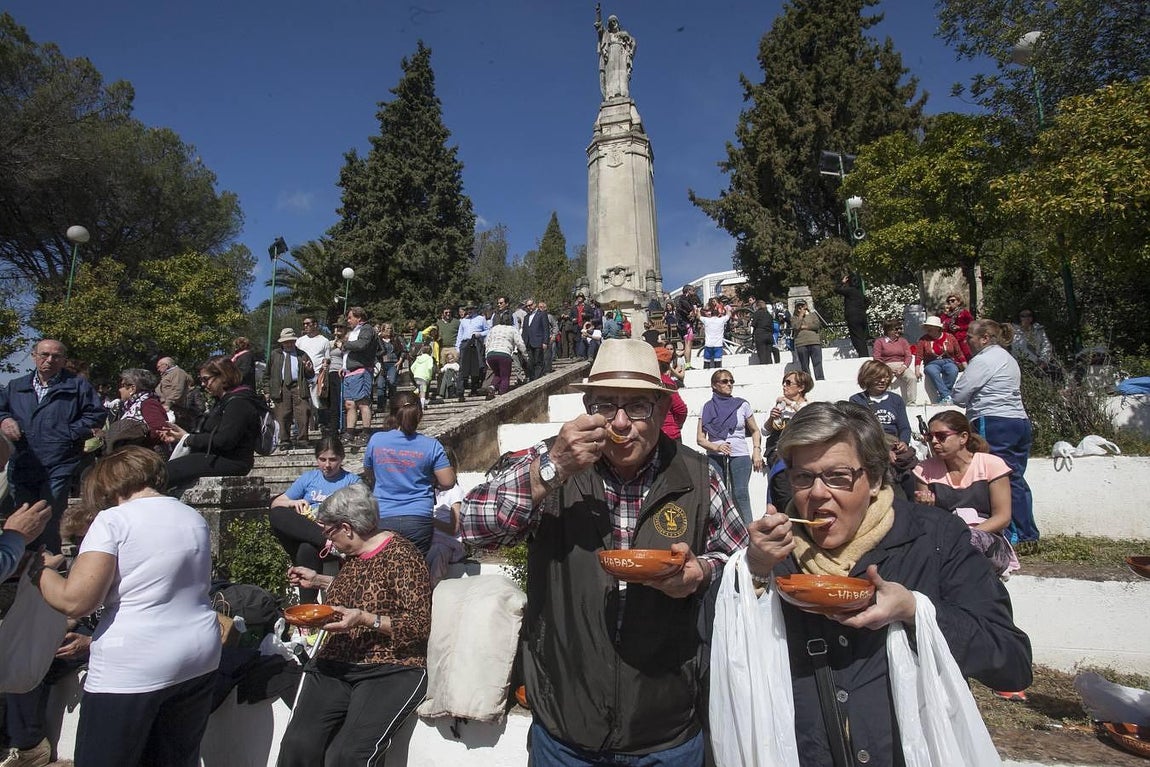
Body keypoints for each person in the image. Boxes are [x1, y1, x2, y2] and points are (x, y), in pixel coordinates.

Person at [461, 339, 748, 765]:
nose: (619, 424)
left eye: (637, 407)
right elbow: (473, 530)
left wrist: (701, 572)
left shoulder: (700, 475)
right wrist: (552, 470)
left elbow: (742, 566)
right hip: (565, 729)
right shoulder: (551, 462)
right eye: (605, 406)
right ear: (586, 406)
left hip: (666, 729)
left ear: (662, 409)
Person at [733, 402, 1032, 764]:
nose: (817, 494)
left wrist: (915, 613)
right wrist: (754, 573)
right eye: (803, 477)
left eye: (838, 476)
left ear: (874, 479)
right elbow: (726, 657)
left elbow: (1011, 661)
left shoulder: (936, 538)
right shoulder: (774, 552)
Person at [31, 447, 222, 767]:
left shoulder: (113, 521)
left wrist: (39, 571)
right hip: (197, 653)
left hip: (134, 663)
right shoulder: (191, 516)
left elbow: (75, 601)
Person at [277, 484, 431, 767]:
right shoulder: (354, 556)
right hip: (338, 661)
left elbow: (419, 624)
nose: (328, 539)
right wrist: (319, 580)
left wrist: (363, 619)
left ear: (347, 528)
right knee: (298, 744)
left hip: (390, 667)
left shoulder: (403, 557)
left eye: (328, 531)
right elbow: (364, 591)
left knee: (347, 756)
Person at [0, 339, 105, 552]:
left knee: (48, 514)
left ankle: (46, 565)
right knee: (22, 514)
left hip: (58, 461)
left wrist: (67, 433)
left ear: (64, 360)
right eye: (44, 355)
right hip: (23, 460)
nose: (49, 360)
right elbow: (2, 410)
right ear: (34, 356)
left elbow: (96, 414)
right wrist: (5, 420)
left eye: (56, 356)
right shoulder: (16, 386)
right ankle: (20, 566)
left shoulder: (77, 385)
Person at [952, 318, 1038, 553]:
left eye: (970, 336)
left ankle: (1015, 534)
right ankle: (1027, 533)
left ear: (984, 338)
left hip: (993, 421)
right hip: (1018, 421)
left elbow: (959, 394)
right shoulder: (1007, 358)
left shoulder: (984, 359)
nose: (967, 341)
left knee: (1000, 478)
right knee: (1016, 477)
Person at [914, 411, 1018, 577]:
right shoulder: (924, 469)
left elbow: (1003, 517)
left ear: (963, 437)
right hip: (945, 538)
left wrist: (965, 534)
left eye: (941, 436)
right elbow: (923, 519)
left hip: (985, 538)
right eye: (929, 437)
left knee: (969, 543)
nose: (934, 442)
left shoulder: (991, 465)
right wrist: (926, 508)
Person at [268, 436, 360, 603]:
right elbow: (277, 504)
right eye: (322, 459)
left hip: (335, 534)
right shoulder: (309, 478)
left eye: (333, 460)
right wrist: (293, 502)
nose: (327, 465)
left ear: (341, 459)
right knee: (277, 513)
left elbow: (360, 514)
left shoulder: (352, 481)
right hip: (310, 531)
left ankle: (307, 608)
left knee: (306, 548)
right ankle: (324, 542)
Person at [362, 392, 455, 554]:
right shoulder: (432, 445)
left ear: (392, 413)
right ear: (419, 413)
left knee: (385, 570)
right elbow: (448, 482)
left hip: (383, 515)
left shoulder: (376, 440)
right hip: (418, 518)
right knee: (416, 571)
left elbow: (369, 473)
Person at [161, 356, 265, 491]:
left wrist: (188, 438)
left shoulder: (239, 403)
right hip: (216, 456)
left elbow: (225, 440)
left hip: (232, 462)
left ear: (223, 376)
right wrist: (183, 435)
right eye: (201, 380)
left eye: (206, 379)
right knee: (160, 472)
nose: (203, 384)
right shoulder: (224, 402)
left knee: (164, 474)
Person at [697, 368, 762, 525]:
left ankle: (749, 529)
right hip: (715, 455)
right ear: (714, 385)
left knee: (740, 493)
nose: (729, 384)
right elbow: (700, 439)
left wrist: (757, 451)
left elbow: (755, 430)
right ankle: (721, 530)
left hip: (740, 454)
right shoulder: (706, 407)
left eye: (731, 381)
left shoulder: (742, 405)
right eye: (725, 381)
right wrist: (716, 447)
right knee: (719, 494)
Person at [102, 368, 169, 454]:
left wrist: (136, 444)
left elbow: (160, 430)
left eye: (122, 386)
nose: (119, 390)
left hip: (145, 457)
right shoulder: (131, 406)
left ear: (132, 388)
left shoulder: (148, 404)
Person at [268, 328, 314, 451]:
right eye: (286, 342)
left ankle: (303, 439)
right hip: (281, 387)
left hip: (299, 386)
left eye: (291, 341)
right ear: (281, 342)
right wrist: (268, 390)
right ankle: (284, 440)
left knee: (303, 412)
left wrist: (308, 369)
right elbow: (268, 373)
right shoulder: (275, 354)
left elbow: (311, 374)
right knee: (282, 414)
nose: (288, 344)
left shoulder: (302, 354)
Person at [848, 360, 911, 444]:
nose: (882, 380)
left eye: (886, 377)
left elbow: (904, 427)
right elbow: (858, 430)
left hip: (893, 443)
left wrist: (904, 442)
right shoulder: (857, 400)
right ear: (867, 378)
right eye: (878, 377)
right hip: (870, 445)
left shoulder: (896, 399)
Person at [915, 315, 966, 405]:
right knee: (931, 371)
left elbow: (959, 353)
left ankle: (944, 396)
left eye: (931, 327)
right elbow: (919, 356)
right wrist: (917, 369)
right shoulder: (923, 340)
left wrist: (966, 367)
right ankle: (947, 395)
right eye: (927, 327)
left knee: (953, 370)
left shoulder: (950, 337)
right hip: (931, 363)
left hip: (948, 361)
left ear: (937, 328)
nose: (928, 329)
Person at [295, 316, 332, 428]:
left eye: (308, 323)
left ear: (315, 324)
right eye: (304, 324)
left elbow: (327, 358)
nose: (305, 326)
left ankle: (322, 425)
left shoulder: (324, 341)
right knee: (302, 403)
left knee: (318, 402)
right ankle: (303, 427)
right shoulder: (300, 341)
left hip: (317, 374)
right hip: (302, 376)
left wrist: (325, 366)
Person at [871, 318, 919, 404]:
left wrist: (903, 367)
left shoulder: (903, 341)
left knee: (912, 378)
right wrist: (887, 368)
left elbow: (908, 356)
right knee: (884, 380)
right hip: (885, 365)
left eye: (900, 328)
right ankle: (886, 402)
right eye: (896, 329)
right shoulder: (879, 342)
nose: (899, 331)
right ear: (889, 330)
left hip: (901, 365)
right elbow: (877, 357)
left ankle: (911, 402)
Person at [594, 7, 636, 100]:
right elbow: (599, 27)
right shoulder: (607, 35)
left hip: (621, 56)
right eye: (611, 22)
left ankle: (622, 93)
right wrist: (598, 14)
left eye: (614, 21)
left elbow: (633, 44)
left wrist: (627, 37)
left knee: (622, 75)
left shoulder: (623, 35)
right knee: (611, 75)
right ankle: (611, 94)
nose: (613, 24)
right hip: (611, 56)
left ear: (617, 23)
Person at [485, 313, 528, 397]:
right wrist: (525, 355)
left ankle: (492, 387)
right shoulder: (512, 329)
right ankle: (503, 394)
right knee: (505, 376)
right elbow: (520, 343)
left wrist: (486, 356)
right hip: (504, 354)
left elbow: (487, 342)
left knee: (498, 373)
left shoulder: (494, 329)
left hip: (491, 354)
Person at [1011, 309, 1060, 378]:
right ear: (1019, 318)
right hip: (1023, 366)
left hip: (1041, 364)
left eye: (1029, 315)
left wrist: (1043, 361)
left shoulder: (1039, 329)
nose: (1026, 318)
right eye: (1023, 316)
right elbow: (1016, 350)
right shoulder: (1014, 332)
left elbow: (1046, 345)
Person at [655, 347, 687, 442]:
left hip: (666, 436)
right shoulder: (666, 381)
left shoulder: (665, 381)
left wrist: (673, 426)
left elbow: (680, 409)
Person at [835, 272, 871, 357]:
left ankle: (863, 356)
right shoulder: (859, 293)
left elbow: (837, 289)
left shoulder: (850, 291)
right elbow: (868, 301)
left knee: (857, 338)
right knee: (861, 337)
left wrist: (842, 282)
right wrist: (861, 309)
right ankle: (864, 355)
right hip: (861, 316)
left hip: (853, 318)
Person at [155, 356, 195, 426]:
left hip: (174, 409)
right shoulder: (168, 375)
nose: (158, 369)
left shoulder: (178, 372)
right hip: (168, 407)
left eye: (159, 367)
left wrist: (168, 403)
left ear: (166, 365)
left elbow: (178, 389)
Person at [792, 300, 824, 380]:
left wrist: (804, 326)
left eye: (802, 306)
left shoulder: (813, 315)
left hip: (814, 342)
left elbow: (817, 325)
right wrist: (800, 316)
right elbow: (796, 326)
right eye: (798, 306)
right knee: (804, 365)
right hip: (801, 343)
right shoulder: (794, 318)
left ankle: (820, 379)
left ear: (806, 306)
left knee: (818, 363)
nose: (801, 308)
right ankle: (807, 382)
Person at [698, 301, 733, 369]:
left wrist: (698, 310)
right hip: (718, 345)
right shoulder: (721, 320)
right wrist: (727, 309)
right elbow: (729, 315)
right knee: (718, 365)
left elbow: (698, 316)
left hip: (708, 345)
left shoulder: (706, 320)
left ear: (711, 314)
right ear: (718, 314)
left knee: (706, 363)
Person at [674, 284, 702, 369]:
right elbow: (687, 310)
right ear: (688, 291)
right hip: (685, 325)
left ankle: (684, 359)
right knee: (688, 345)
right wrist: (692, 311)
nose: (694, 293)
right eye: (693, 290)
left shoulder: (683, 299)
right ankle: (687, 364)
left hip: (683, 325)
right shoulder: (683, 299)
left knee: (687, 344)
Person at [523, 299, 552, 380]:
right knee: (530, 363)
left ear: (535, 304)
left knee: (538, 361)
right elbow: (524, 332)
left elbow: (546, 329)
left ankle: (537, 379)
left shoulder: (542, 314)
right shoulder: (526, 317)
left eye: (530, 305)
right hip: (528, 343)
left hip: (538, 342)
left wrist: (545, 342)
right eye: (527, 306)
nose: (529, 307)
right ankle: (532, 378)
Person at [941, 292, 975, 360]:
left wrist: (960, 327)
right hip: (952, 339)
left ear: (958, 302)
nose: (950, 302)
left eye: (953, 300)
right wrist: (945, 313)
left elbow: (972, 324)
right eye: (949, 301)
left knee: (967, 356)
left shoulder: (964, 312)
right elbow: (943, 324)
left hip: (962, 339)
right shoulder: (948, 314)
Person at [750, 299, 780, 364]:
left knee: (762, 356)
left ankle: (764, 371)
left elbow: (753, 325)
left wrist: (752, 335)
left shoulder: (757, 313)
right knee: (768, 355)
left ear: (757, 306)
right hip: (769, 335)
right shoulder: (769, 315)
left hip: (760, 335)